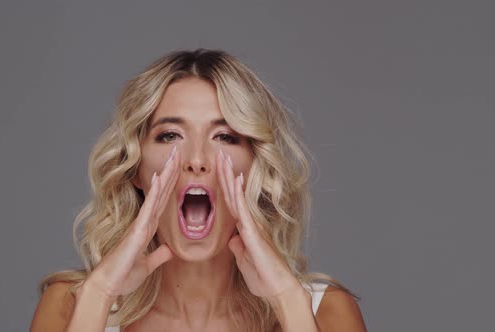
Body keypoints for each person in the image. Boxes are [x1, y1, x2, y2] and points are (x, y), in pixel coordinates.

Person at [30, 48, 367, 332]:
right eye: (169, 135)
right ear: (135, 169)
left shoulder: (326, 313)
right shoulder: (70, 306)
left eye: (224, 136)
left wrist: (287, 300)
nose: (196, 160)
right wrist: (100, 295)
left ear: (255, 169)